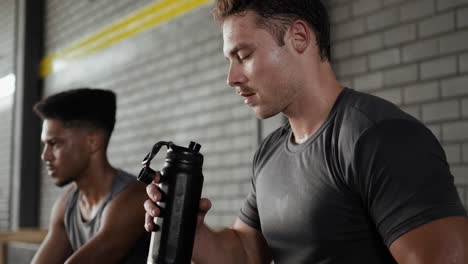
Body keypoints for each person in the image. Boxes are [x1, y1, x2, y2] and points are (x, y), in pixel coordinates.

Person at [144, 0, 468, 263]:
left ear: (299, 37)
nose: (232, 78)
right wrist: (190, 230)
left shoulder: (379, 136)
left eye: (243, 56)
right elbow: (245, 251)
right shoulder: (270, 152)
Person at [32, 88, 150, 264]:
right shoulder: (66, 206)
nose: (45, 156)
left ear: (92, 142)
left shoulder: (136, 199)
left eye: (54, 143)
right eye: (45, 145)